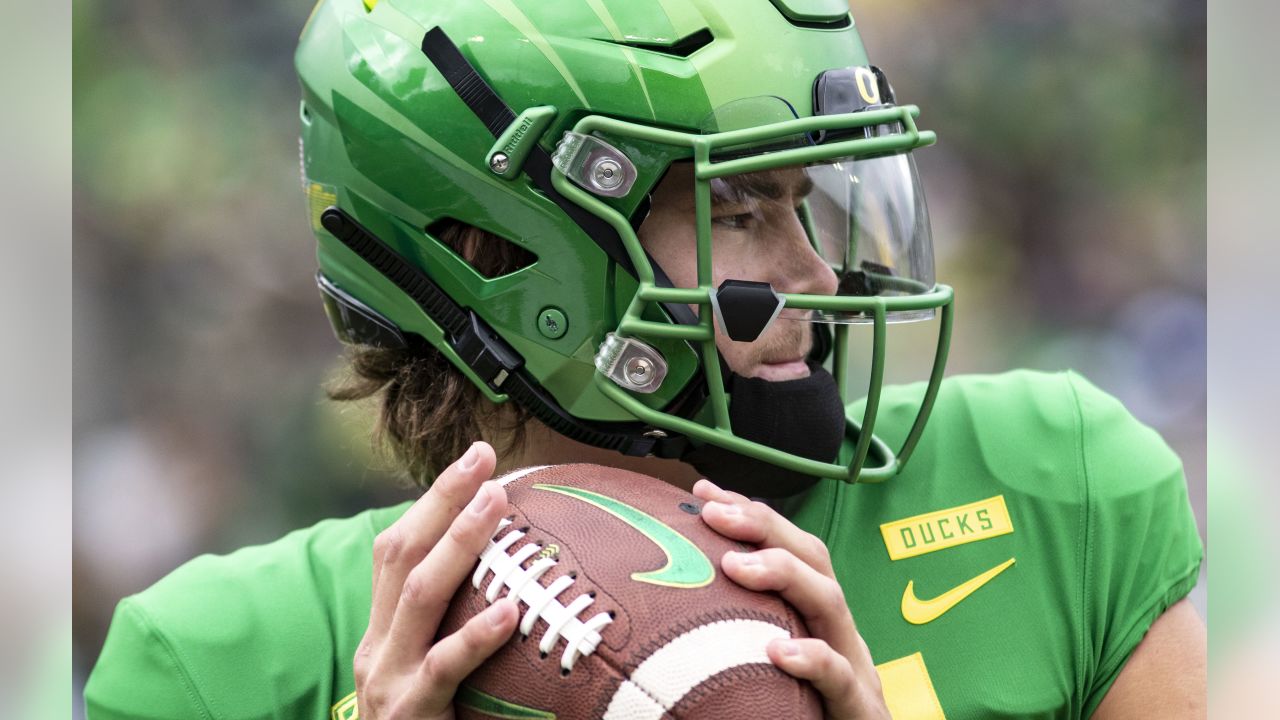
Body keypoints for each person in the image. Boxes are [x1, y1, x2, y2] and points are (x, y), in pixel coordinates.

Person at [84, 0, 1206, 718]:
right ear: (501, 254)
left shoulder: (1052, 489)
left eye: (807, 204)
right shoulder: (216, 669)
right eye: (739, 209)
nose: (814, 278)